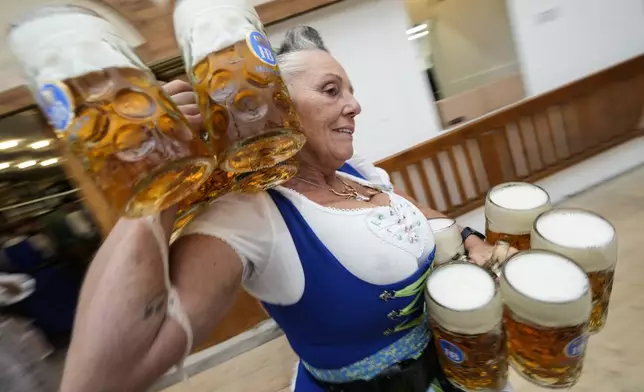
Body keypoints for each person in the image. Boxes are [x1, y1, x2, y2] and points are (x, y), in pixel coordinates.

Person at [61, 26, 505, 392]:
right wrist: (159, 179)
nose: (355, 104)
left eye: (349, 90)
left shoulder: (356, 169)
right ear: (272, 107)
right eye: (332, 91)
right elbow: (99, 379)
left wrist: (468, 238)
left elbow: (411, 210)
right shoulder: (250, 214)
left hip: (458, 369)